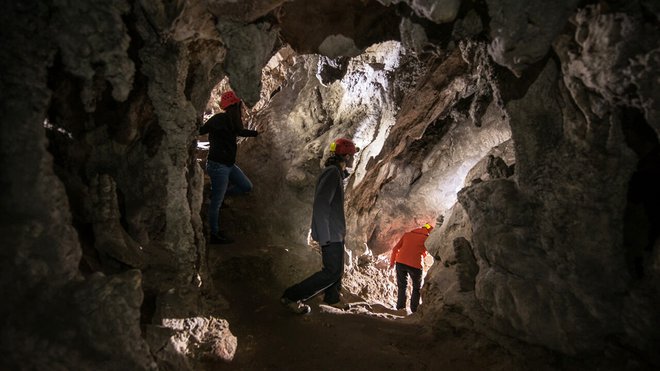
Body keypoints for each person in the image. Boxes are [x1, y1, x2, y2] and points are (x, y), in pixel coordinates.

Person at [281, 138, 359, 314]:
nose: (354, 159)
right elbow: (322, 204)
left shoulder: (336, 173)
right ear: (346, 157)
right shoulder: (331, 173)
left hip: (335, 232)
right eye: (353, 155)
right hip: (330, 233)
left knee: (337, 269)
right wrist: (323, 236)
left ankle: (332, 298)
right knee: (331, 271)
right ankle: (291, 296)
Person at [199, 91, 258, 244]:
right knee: (216, 204)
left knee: (246, 186)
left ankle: (219, 193)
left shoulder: (233, 122)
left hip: (228, 165)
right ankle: (214, 233)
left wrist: (256, 133)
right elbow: (200, 131)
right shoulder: (218, 119)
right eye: (239, 105)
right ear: (235, 106)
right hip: (217, 166)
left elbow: (240, 131)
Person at [389, 223, 433, 313]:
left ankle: (400, 308)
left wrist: (392, 262)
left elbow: (395, 249)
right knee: (416, 288)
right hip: (416, 265)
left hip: (400, 262)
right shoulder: (427, 239)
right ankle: (414, 310)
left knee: (402, 286)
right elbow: (426, 253)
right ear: (429, 231)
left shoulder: (407, 234)